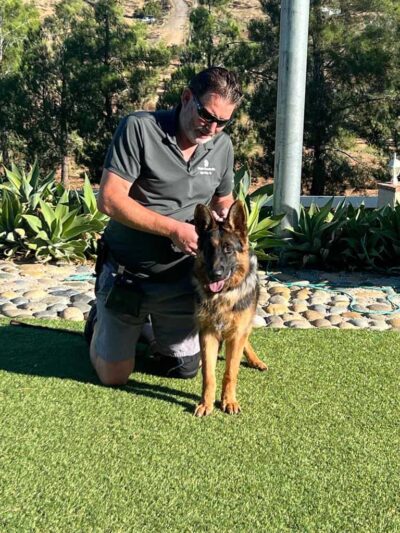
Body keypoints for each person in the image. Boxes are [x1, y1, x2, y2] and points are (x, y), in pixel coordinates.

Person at [85, 66, 242, 385]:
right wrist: (173, 229)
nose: (212, 128)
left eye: (222, 122)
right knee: (113, 377)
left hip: (181, 280)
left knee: (184, 368)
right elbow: (110, 200)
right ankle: (99, 321)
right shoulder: (139, 128)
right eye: (206, 116)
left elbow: (223, 200)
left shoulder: (221, 146)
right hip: (130, 275)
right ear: (186, 98)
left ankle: (140, 328)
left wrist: (226, 220)